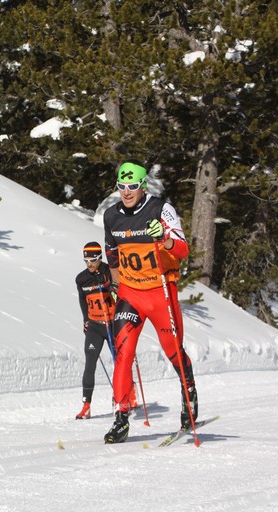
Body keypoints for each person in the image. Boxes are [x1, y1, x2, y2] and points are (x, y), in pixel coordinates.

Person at [102, 160, 197, 443]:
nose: (127, 192)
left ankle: (188, 394)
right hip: (131, 294)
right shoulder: (111, 216)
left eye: (132, 186)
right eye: (122, 186)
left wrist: (165, 238)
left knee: (173, 351)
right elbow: (112, 254)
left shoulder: (160, 209)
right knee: (123, 352)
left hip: (160, 293)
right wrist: (117, 286)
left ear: (143, 186)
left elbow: (182, 250)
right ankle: (120, 417)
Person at [74, 242, 117, 420]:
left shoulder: (110, 271)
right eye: (86, 261)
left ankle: (123, 396)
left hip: (113, 323)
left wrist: (109, 285)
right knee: (90, 363)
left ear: (100, 258)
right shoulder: (81, 278)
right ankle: (86, 405)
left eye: (92, 260)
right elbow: (83, 301)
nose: (89, 264)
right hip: (94, 325)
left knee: (120, 361)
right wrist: (86, 320)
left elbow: (121, 293)